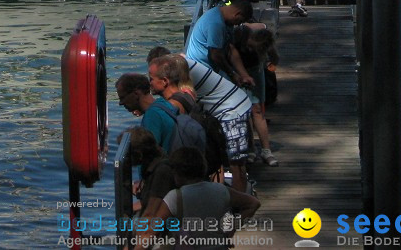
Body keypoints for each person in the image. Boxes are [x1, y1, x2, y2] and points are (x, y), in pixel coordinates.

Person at [148, 47, 254, 193]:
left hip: (232, 110)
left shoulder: (183, 72)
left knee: (236, 164)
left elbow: (183, 97)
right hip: (220, 110)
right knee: (217, 157)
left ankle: (240, 205)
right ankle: (220, 198)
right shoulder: (181, 64)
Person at [137, 147, 260, 248]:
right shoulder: (220, 190)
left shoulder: (175, 197)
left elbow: (151, 232)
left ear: (177, 173)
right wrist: (232, 229)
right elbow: (253, 203)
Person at [232, 24, 279, 166]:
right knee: (243, 111)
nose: (252, 49)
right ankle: (251, 148)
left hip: (256, 71)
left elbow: (275, 59)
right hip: (238, 73)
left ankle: (266, 150)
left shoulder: (266, 45)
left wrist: (269, 67)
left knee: (257, 109)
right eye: (251, 47)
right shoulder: (239, 36)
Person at [184, 0, 254, 85]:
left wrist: (244, 75)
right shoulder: (216, 23)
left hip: (213, 68)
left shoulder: (227, 21)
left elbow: (231, 49)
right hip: (199, 70)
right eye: (240, 21)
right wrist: (232, 75)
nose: (239, 24)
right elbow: (215, 55)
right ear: (237, 14)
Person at [116, 73, 176, 152]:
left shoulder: (152, 116)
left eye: (123, 97)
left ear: (136, 94)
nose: (121, 103)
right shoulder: (163, 104)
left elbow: (149, 154)